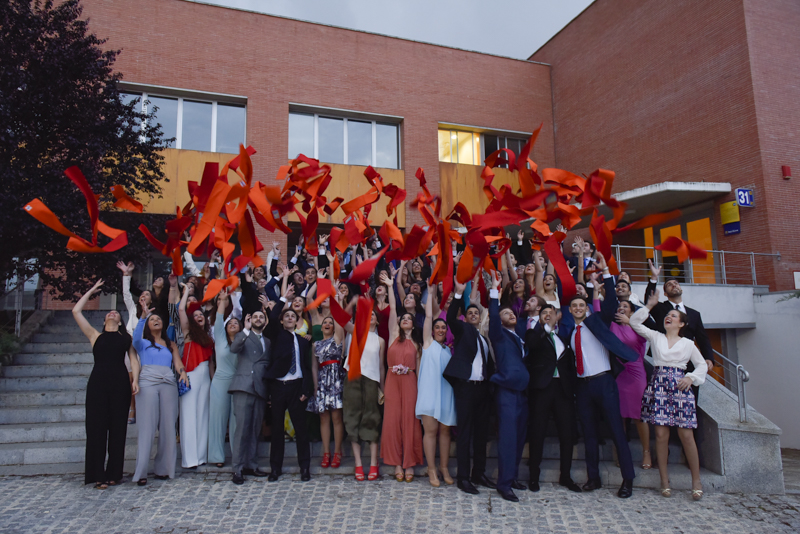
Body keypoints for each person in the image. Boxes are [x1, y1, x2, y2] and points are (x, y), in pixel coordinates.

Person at [560, 293, 639, 498]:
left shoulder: (596, 323)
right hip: (583, 386)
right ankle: (593, 477)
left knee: (616, 431)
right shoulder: (570, 332)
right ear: (569, 310)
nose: (577, 308)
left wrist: (605, 273)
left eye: (581, 305)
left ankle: (627, 480)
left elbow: (610, 304)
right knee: (589, 434)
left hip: (604, 382)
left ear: (586, 308)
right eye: (574, 305)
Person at [631, 291, 708, 500]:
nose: (669, 317)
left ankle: (696, 480)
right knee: (661, 435)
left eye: (674, 316)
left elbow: (701, 365)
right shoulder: (656, 336)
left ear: (682, 324)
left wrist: (691, 378)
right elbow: (635, 323)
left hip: (680, 386)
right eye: (668, 315)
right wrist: (649, 306)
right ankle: (664, 480)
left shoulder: (688, 344)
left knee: (686, 435)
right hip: (659, 385)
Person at [73, 279, 138, 488]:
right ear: (104, 320)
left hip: (120, 384)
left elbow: (134, 360)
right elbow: (76, 311)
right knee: (96, 428)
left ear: (120, 321)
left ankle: (114, 474)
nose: (112, 312)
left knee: (118, 429)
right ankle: (98, 475)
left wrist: (135, 379)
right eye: (109, 312)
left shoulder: (126, 338)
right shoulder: (95, 336)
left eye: (116, 313)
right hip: (98, 385)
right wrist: (91, 291)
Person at [444, 279, 496, 496]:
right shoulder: (463, 331)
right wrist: (458, 294)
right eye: (470, 313)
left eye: (477, 312)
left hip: (482, 389)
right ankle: (463, 477)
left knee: (481, 434)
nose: (473, 314)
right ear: (465, 317)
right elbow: (450, 318)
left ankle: (479, 473)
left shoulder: (484, 339)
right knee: (465, 433)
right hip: (465, 388)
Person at [524, 304, 581, 493]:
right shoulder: (534, 334)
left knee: (566, 434)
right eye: (544, 313)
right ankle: (533, 477)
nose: (548, 315)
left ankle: (566, 476)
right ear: (539, 318)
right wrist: (545, 327)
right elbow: (533, 346)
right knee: (537, 432)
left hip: (562, 390)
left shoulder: (563, 339)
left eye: (552, 313)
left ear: (559, 316)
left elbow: (570, 366)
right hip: (542, 388)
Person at [132, 301, 187, 486]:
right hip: (148, 381)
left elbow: (178, 362)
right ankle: (141, 472)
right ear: (148, 324)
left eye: (158, 319)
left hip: (168, 382)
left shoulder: (170, 343)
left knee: (168, 427)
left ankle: (164, 469)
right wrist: (142, 317)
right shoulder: (143, 343)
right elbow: (135, 339)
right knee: (147, 428)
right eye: (152, 319)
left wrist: (183, 373)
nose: (156, 320)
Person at [487, 273, 530, 502]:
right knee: (507, 438)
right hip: (506, 393)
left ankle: (512, 477)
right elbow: (494, 317)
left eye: (512, 312)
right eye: (506, 313)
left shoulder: (519, 336)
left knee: (519, 438)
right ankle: (503, 485)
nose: (511, 314)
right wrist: (495, 292)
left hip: (522, 394)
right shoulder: (499, 334)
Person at [264, 285, 313, 482]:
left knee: (301, 430)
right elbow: (274, 316)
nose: (290, 318)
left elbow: (307, 367)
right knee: (277, 430)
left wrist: (306, 389)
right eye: (287, 317)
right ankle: (275, 468)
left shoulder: (303, 341)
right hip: (278, 386)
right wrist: (283, 300)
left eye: (293, 316)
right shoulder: (276, 335)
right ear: (282, 321)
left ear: (297, 320)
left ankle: (305, 467)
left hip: (296, 387)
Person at [380, 271, 423, 482]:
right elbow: (394, 309)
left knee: (410, 421)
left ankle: (410, 462)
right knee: (392, 420)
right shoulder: (393, 336)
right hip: (392, 382)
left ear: (413, 324)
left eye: (409, 318)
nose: (405, 319)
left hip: (411, 382)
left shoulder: (417, 342)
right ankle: (397, 462)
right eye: (403, 318)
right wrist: (390, 286)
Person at [415, 282, 456, 487]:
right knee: (430, 432)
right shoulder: (428, 344)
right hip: (430, 394)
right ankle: (432, 469)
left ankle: (444, 467)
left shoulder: (449, 350)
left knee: (445, 432)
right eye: (437, 327)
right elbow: (429, 316)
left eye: (443, 327)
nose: (440, 329)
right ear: (432, 330)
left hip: (446, 394)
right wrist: (431, 292)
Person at [343, 304, 386, 481]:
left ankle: (374, 463)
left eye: (374, 315)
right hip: (353, 378)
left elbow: (381, 366)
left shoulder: (380, 340)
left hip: (372, 380)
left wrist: (382, 388)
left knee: (372, 419)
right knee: (352, 418)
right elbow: (343, 320)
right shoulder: (356, 332)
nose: (372, 317)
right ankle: (358, 463)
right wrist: (350, 301)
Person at [228, 310, 270, 485]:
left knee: (254, 429)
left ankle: (251, 465)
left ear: (265, 321)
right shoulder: (243, 336)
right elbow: (234, 348)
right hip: (243, 387)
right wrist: (244, 330)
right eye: (255, 316)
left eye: (261, 317)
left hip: (260, 389)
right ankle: (237, 468)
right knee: (242, 429)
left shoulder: (268, 341)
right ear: (250, 320)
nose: (258, 319)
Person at [178, 284, 214, 469]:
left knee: (202, 415)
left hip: (205, 375)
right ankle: (189, 459)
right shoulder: (188, 332)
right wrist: (186, 293)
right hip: (190, 373)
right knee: (189, 415)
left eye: (201, 315)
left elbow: (211, 363)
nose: (199, 316)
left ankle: (201, 456)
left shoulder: (208, 336)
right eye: (196, 315)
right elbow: (181, 310)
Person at [306, 314, 346, 470]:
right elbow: (314, 366)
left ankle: (337, 452)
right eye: (325, 322)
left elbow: (340, 324)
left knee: (336, 417)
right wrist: (315, 386)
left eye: (331, 322)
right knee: (324, 418)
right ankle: (326, 453)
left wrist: (337, 299)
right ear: (320, 327)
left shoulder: (337, 340)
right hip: (322, 381)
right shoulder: (316, 344)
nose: (328, 324)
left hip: (335, 380)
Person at [208, 290, 240, 468]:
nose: (232, 324)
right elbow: (219, 318)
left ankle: (237, 455)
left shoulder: (243, 340)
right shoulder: (219, 339)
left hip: (238, 382)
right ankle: (216, 456)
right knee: (218, 420)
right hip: (220, 380)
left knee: (236, 420)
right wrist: (222, 299)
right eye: (230, 323)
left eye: (236, 322)